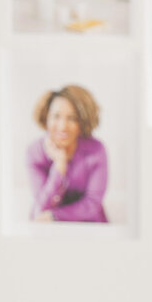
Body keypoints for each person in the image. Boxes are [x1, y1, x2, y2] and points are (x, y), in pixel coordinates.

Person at [27, 85, 108, 222]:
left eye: (72, 118)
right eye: (56, 116)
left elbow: (92, 204)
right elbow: (40, 209)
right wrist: (59, 167)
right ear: (46, 116)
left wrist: (55, 216)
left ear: (82, 122)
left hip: (91, 228)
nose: (63, 126)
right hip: (50, 232)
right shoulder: (35, 153)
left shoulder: (96, 150)